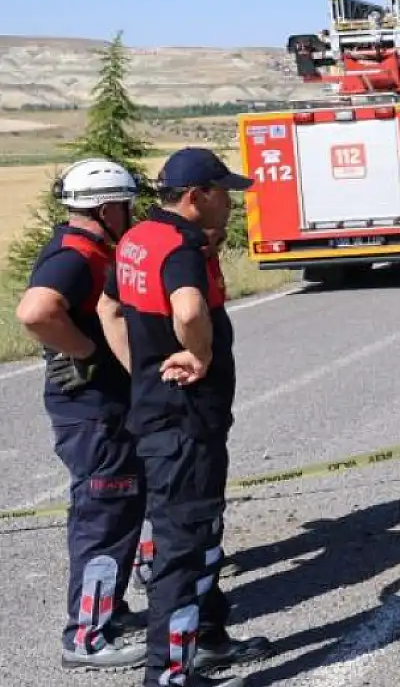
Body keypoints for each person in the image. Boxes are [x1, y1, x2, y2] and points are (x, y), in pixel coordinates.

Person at [110, 147, 270, 687]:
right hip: (184, 422)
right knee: (185, 546)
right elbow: (189, 311)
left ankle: (208, 640)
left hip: (159, 412)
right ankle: (168, 674)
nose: (232, 201)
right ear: (196, 195)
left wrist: (141, 368)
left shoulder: (137, 238)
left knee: (197, 535)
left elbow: (111, 308)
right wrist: (198, 356)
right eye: (224, 191)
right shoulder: (178, 247)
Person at [15, 158, 151, 671]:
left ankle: (107, 611)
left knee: (115, 516)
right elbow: (35, 311)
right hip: (94, 414)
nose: (130, 214)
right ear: (108, 208)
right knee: (104, 521)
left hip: (102, 412)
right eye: (126, 206)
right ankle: (89, 635)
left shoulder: (90, 249)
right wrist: (87, 353)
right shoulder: (74, 256)